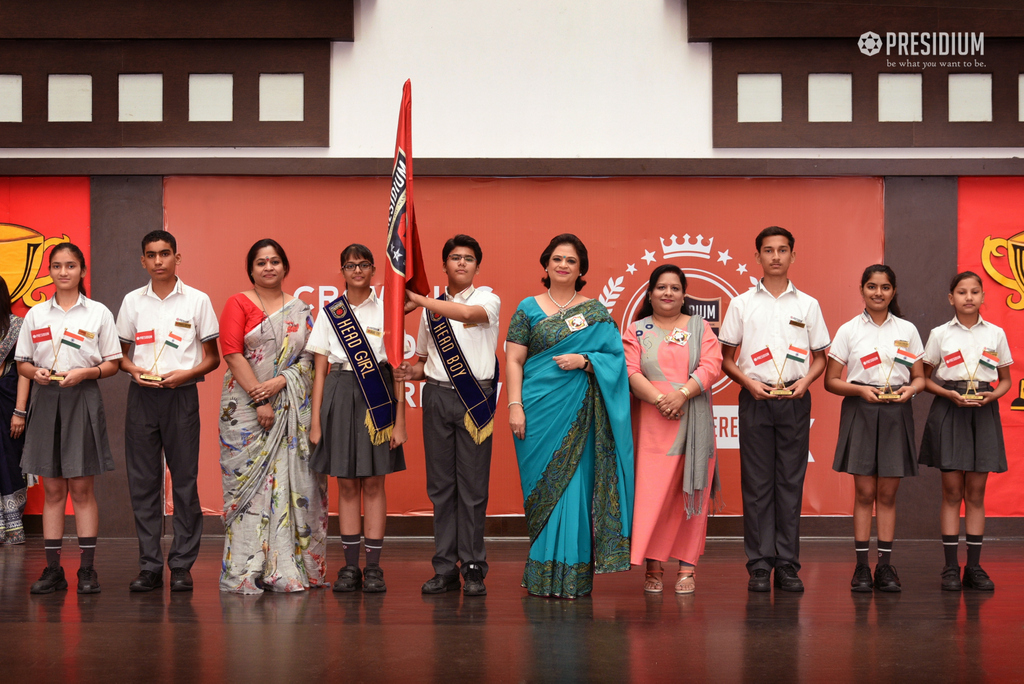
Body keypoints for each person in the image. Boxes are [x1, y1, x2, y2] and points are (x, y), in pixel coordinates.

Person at [504, 233, 634, 599]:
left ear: (581, 270)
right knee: (542, 488)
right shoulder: (527, 308)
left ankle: (572, 576)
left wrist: (586, 360)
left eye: (571, 261)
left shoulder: (595, 312)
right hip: (536, 409)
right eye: (557, 259)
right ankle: (542, 574)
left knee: (574, 487)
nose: (563, 265)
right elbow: (514, 359)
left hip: (580, 412)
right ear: (545, 265)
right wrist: (514, 405)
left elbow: (617, 361)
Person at [719, 226, 829, 593]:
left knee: (789, 484)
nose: (776, 256)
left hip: (795, 400)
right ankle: (759, 564)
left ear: (793, 256)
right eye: (769, 250)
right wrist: (748, 383)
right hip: (755, 399)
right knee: (756, 484)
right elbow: (727, 359)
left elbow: (820, 358)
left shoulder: (808, 304)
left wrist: (805, 383)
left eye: (783, 250)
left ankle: (787, 564)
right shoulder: (742, 303)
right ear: (758, 257)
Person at [218, 238, 328, 594]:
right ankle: (247, 569)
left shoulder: (300, 309)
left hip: (289, 408)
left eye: (275, 261)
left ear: (285, 267)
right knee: (250, 492)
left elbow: (309, 360)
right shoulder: (238, 303)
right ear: (251, 270)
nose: (268, 267)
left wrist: (281, 382)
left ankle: (287, 568)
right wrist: (259, 399)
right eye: (261, 262)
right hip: (245, 412)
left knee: (293, 484)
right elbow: (232, 354)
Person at [395, 234, 500, 596]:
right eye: (454, 257)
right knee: (441, 488)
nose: (461, 263)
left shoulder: (488, 299)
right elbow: (424, 363)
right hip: (437, 398)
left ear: (476, 266)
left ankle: (473, 567)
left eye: (468, 258)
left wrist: (420, 300)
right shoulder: (431, 310)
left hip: (475, 401)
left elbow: (469, 315)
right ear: (444, 265)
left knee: (472, 489)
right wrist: (408, 372)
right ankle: (444, 567)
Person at [116, 230, 220, 592]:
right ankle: (149, 565)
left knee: (185, 483)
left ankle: (180, 565)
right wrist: (134, 372)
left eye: (165, 254)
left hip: (182, 395)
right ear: (142, 260)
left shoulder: (197, 300)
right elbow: (120, 356)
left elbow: (213, 358)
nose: (158, 261)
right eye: (151, 255)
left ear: (178, 257)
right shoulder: (132, 302)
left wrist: (186, 374)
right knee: (144, 484)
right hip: (142, 397)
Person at [16, 243, 122, 594]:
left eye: (71, 266)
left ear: (82, 271)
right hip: (46, 399)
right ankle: (53, 570)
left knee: (81, 488)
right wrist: (36, 373)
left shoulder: (98, 313)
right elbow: (23, 363)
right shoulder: (36, 314)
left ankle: (87, 571)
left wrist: (87, 374)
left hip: (82, 396)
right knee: (53, 490)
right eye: (58, 266)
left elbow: (112, 363)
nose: (64, 272)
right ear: (50, 270)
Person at [308, 244, 407, 593]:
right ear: (342, 270)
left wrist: (400, 419)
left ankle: (374, 568)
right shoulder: (330, 312)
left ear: (374, 270)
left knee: (375, 482)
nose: (357, 270)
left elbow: (397, 370)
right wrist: (316, 421)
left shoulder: (388, 311)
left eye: (364, 264)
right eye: (350, 265)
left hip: (377, 393)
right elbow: (320, 369)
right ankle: (350, 567)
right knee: (347, 483)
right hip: (339, 390)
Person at [824, 265, 925, 593]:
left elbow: (920, 376)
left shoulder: (908, 329)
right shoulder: (849, 330)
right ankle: (861, 568)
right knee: (865, 493)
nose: (878, 293)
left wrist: (912, 389)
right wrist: (860, 390)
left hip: (897, 411)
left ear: (893, 291)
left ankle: (884, 567)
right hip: (861, 409)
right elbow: (831, 380)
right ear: (862, 289)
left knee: (887, 494)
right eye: (871, 286)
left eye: (884, 287)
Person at [623, 265, 723, 595]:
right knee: (653, 498)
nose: (668, 293)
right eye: (661, 287)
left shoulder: (700, 327)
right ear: (650, 294)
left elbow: (711, 365)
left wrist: (681, 395)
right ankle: (654, 565)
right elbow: (630, 370)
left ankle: (687, 567)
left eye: (675, 288)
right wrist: (660, 400)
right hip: (651, 423)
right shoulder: (636, 330)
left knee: (690, 495)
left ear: (684, 295)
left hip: (692, 420)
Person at [919, 271, 1012, 592]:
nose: (969, 297)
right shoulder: (940, 334)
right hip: (950, 407)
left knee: (975, 494)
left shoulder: (996, 334)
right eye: (962, 292)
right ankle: (949, 568)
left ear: (983, 297)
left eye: (975, 291)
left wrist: (992, 396)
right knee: (951, 492)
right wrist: (948, 394)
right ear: (951, 298)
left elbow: (1006, 381)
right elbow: (925, 378)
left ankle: (973, 567)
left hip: (983, 411)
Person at [0, 276, 30, 545]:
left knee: (8, 459)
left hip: (7, 399)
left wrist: (19, 411)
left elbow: (24, 372)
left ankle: (11, 527)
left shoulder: (18, 327)